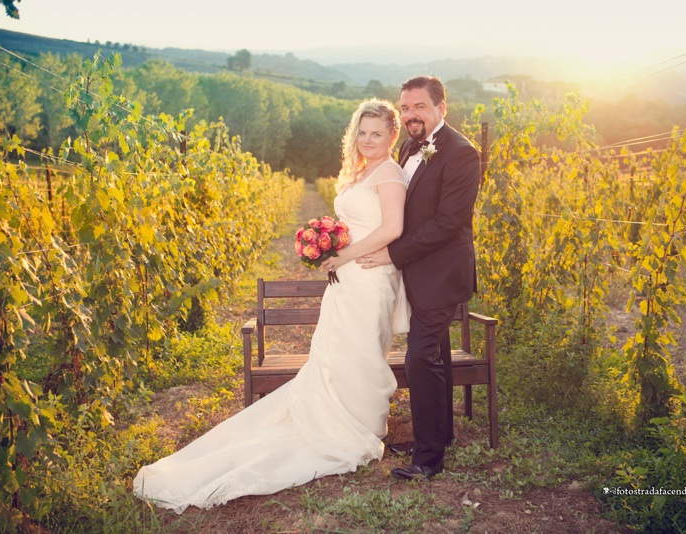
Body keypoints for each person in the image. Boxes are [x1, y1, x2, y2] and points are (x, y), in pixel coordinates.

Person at [133, 99, 409, 513]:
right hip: (346, 279)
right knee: (336, 353)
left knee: (362, 353)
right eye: (362, 132)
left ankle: (356, 427)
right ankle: (335, 418)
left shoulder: (390, 173)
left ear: (392, 135)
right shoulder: (361, 171)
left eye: (377, 133)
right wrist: (329, 246)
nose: (368, 140)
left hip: (370, 278)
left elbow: (393, 228)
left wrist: (345, 254)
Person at [359, 76, 481, 481]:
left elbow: (449, 222)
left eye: (420, 107)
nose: (411, 115)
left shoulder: (463, 153)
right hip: (416, 272)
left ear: (441, 108)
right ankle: (438, 435)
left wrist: (392, 253)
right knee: (438, 355)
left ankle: (428, 460)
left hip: (442, 274)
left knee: (419, 355)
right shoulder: (411, 145)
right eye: (406, 108)